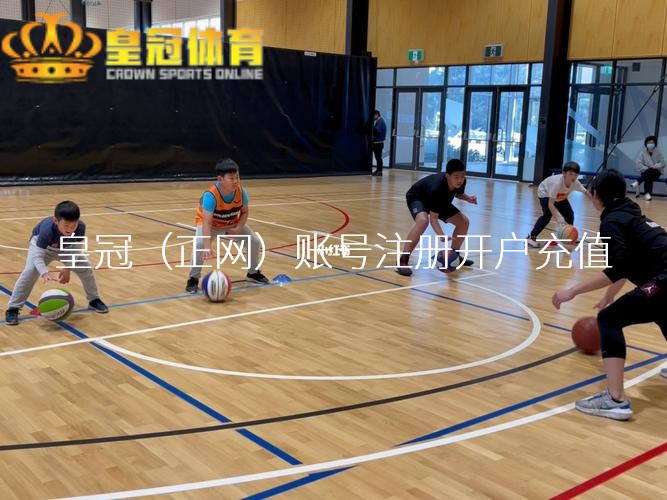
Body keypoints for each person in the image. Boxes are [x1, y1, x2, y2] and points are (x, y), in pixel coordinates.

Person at [552, 169, 667, 420]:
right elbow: (628, 263)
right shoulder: (630, 212)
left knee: (609, 319)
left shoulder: (611, 223)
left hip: (662, 281)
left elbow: (617, 269)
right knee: (660, 310)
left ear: (596, 195)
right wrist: (609, 295)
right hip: (660, 281)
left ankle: (615, 400)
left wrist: (572, 291)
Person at [5, 200, 108, 325]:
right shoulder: (47, 230)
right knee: (30, 272)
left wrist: (68, 268)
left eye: (74, 225)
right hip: (44, 249)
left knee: (86, 268)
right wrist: (44, 273)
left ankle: (94, 300)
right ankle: (13, 308)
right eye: (66, 225)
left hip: (66, 248)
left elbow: (76, 250)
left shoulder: (81, 227)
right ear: (55, 221)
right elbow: (37, 256)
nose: (70, 229)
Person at [185, 158, 269, 293]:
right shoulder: (211, 195)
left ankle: (253, 273)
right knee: (200, 245)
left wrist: (239, 227)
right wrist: (207, 246)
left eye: (237, 177)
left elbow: (245, 212)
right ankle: (193, 279)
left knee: (253, 241)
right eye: (231, 178)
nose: (235, 181)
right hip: (211, 225)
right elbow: (207, 222)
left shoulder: (241, 191)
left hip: (230, 222)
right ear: (220, 179)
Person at [396, 159, 477, 276]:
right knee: (423, 221)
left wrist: (468, 198)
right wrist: (441, 235)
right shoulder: (437, 188)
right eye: (456, 177)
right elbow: (433, 219)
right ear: (448, 176)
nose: (460, 180)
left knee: (463, 222)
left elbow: (458, 193)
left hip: (439, 200)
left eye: (462, 176)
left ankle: (454, 256)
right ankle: (403, 260)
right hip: (417, 197)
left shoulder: (461, 181)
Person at [527, 161, 590, 248]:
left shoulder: (576, 183)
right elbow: (551, 204)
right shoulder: (557, 184)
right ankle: (531, 237)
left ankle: (569, 236)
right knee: (547, 215)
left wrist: (598, 201)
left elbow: (586, 192)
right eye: (570, 174)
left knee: (569, 214)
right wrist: (559, 218)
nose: (573, 177)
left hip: (560, 196)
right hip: (545, 193)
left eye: (576, 175)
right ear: (564, 173)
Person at [631, 135, 664, 201]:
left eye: (652, 143)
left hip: (656, 172)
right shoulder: (642, 153)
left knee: (650, 172)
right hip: (646, 172)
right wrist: (647, 168)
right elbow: (638, 164)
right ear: (646, 143)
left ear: (655, 144)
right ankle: (647, 194)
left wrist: (655, 166)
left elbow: (663, 163)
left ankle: (638, 182)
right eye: (649, 142)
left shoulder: (658, 152)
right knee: (648, 174)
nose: (650, 144)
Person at [371, 110, 387, 177]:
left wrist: (371, 126)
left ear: (377, 115)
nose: (373, 117)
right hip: (377, 143)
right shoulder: (378, 121)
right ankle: (378, 170)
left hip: (378, 143)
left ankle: (379, 171)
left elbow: (377, 131)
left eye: (373, 116)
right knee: (377, 157)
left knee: (378, 158)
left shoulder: (380, 122)